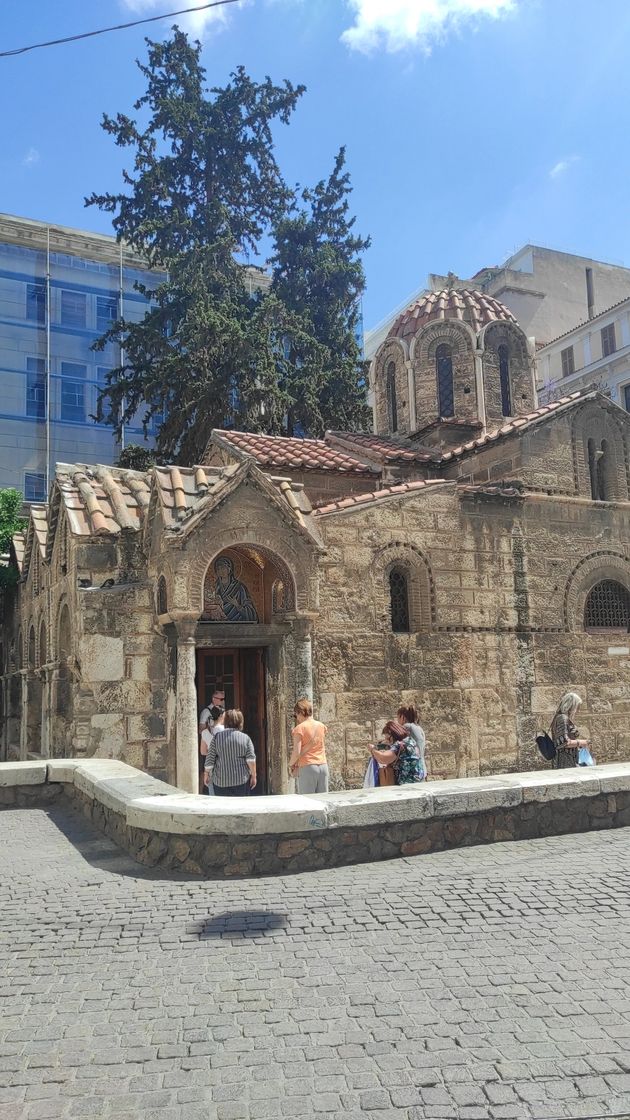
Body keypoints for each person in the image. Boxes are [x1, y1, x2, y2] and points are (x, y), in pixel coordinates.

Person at [204, 709, 257, 796]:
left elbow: (210, 759)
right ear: (240, 722)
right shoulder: (246, 738)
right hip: (241, 781)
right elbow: (251, 760)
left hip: (221, 781)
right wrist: (254, 776)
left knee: (223, 807)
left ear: (225, 721)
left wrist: (206, 773)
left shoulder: (217, 738)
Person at [289, 699, 329, 794]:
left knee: (308, 801)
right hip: (323, 766)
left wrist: (290, 764)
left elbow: (297, 752)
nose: (297, 718)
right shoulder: (322, 726)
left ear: (300, 712)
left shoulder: (299, 729)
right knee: (323, 801)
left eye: (296, 715)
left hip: (308, 767)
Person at [369, 720, 425, 784]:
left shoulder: (399, 744)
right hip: (417, 780)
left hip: (406, 783)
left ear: (392, 734)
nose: (387, 740)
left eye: (387, 738)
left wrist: (372, 749)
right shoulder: (410, 740)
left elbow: (383, 758)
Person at [550, 692, 590, 769]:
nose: (578, 710)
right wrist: (584, 742)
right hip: (565, 760)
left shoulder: (562, 717)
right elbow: (565, 742)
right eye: (577, 707)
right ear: (571, 706)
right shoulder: (562, 718)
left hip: (568, 758)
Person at [198, 689, 225, 793]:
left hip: (221, 744)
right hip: (208, 744)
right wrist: (215, 723)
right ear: (214, 699)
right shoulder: (206, 712)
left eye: (223, 699)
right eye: (221, 699)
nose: (222, 701)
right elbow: (201, 729)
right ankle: (201, 792)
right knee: (205, 769)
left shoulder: (223, 711)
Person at [397, 704, 427, 780]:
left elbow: (396, 744)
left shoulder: (407, 726)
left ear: (402, 717)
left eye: (398, 717)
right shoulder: (419, 728)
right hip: (422, 766)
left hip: (412, 769)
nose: (397, 720)